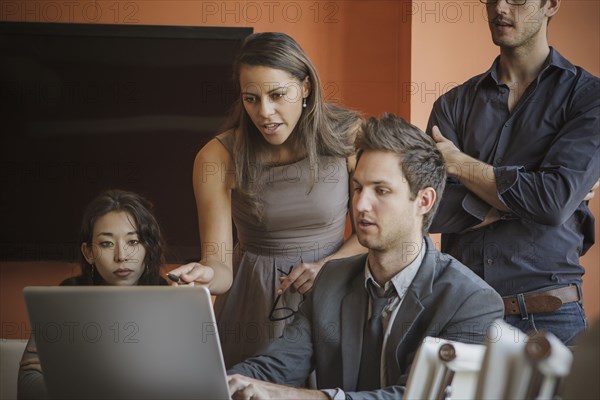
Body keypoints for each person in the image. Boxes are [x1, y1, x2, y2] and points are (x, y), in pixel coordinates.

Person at [226, 114, 504, 399]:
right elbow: (275, 367)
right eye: (358, 187)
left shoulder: (471, 302)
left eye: (381, 191)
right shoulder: (330, 281)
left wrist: (295, 397)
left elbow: (417, 397)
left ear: (424, 201)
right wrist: (222, 383)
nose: (360, 204)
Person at [167, 32, 366, 367]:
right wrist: (203, 277)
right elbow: (219, 266)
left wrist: (327, 267)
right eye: (251, 98)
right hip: (251, 304)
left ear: (305, 87)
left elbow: (376, 230)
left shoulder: (349, 136)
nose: (265, 112)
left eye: (277, 94)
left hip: (335, 293)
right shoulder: (217, 156)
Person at [426, 0, 600, 345]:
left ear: (551, 4)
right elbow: (428, 209)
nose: (500, 8)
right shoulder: (451, 105)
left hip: (553, 318)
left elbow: (551, 202)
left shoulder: (588, 96)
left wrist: (459, 163)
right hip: (465, 315)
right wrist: (526, 195)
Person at [17, 189, 168, 399]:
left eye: (133, 242)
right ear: (89, 252)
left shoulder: (170, 298)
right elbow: (29, 384)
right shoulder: (65, 299)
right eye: (107, 243)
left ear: (148, 246)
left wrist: (74, 380)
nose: (121, 256)